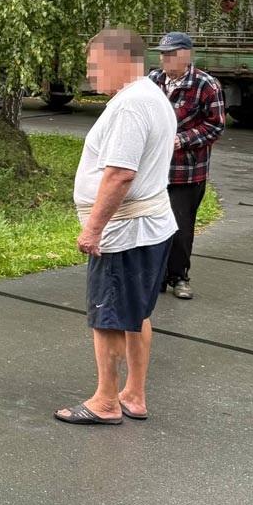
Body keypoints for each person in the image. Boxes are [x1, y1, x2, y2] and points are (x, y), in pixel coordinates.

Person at [55, 28, 177, 426]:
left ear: (118, 60)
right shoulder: (152, 95)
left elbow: (120, 174)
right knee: (135, 312)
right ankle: (134, 394)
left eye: (94, 65)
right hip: (151, 226)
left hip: (125, 232)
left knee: (108, 315)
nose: (92, 75)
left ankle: (106, 401)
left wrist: (93, 229)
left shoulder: (129, 106)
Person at [148, 31, 226, 300]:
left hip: (187, 170)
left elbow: (215, 125)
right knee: (153, 224)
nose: (164, 59)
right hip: (155, 170)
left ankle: (179, 276)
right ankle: (155, 277)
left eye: (171, 54)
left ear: (186, 55)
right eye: (162, 54)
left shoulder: (206, 84)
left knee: (180, 228)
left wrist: (182, 140)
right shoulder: (153, 80)